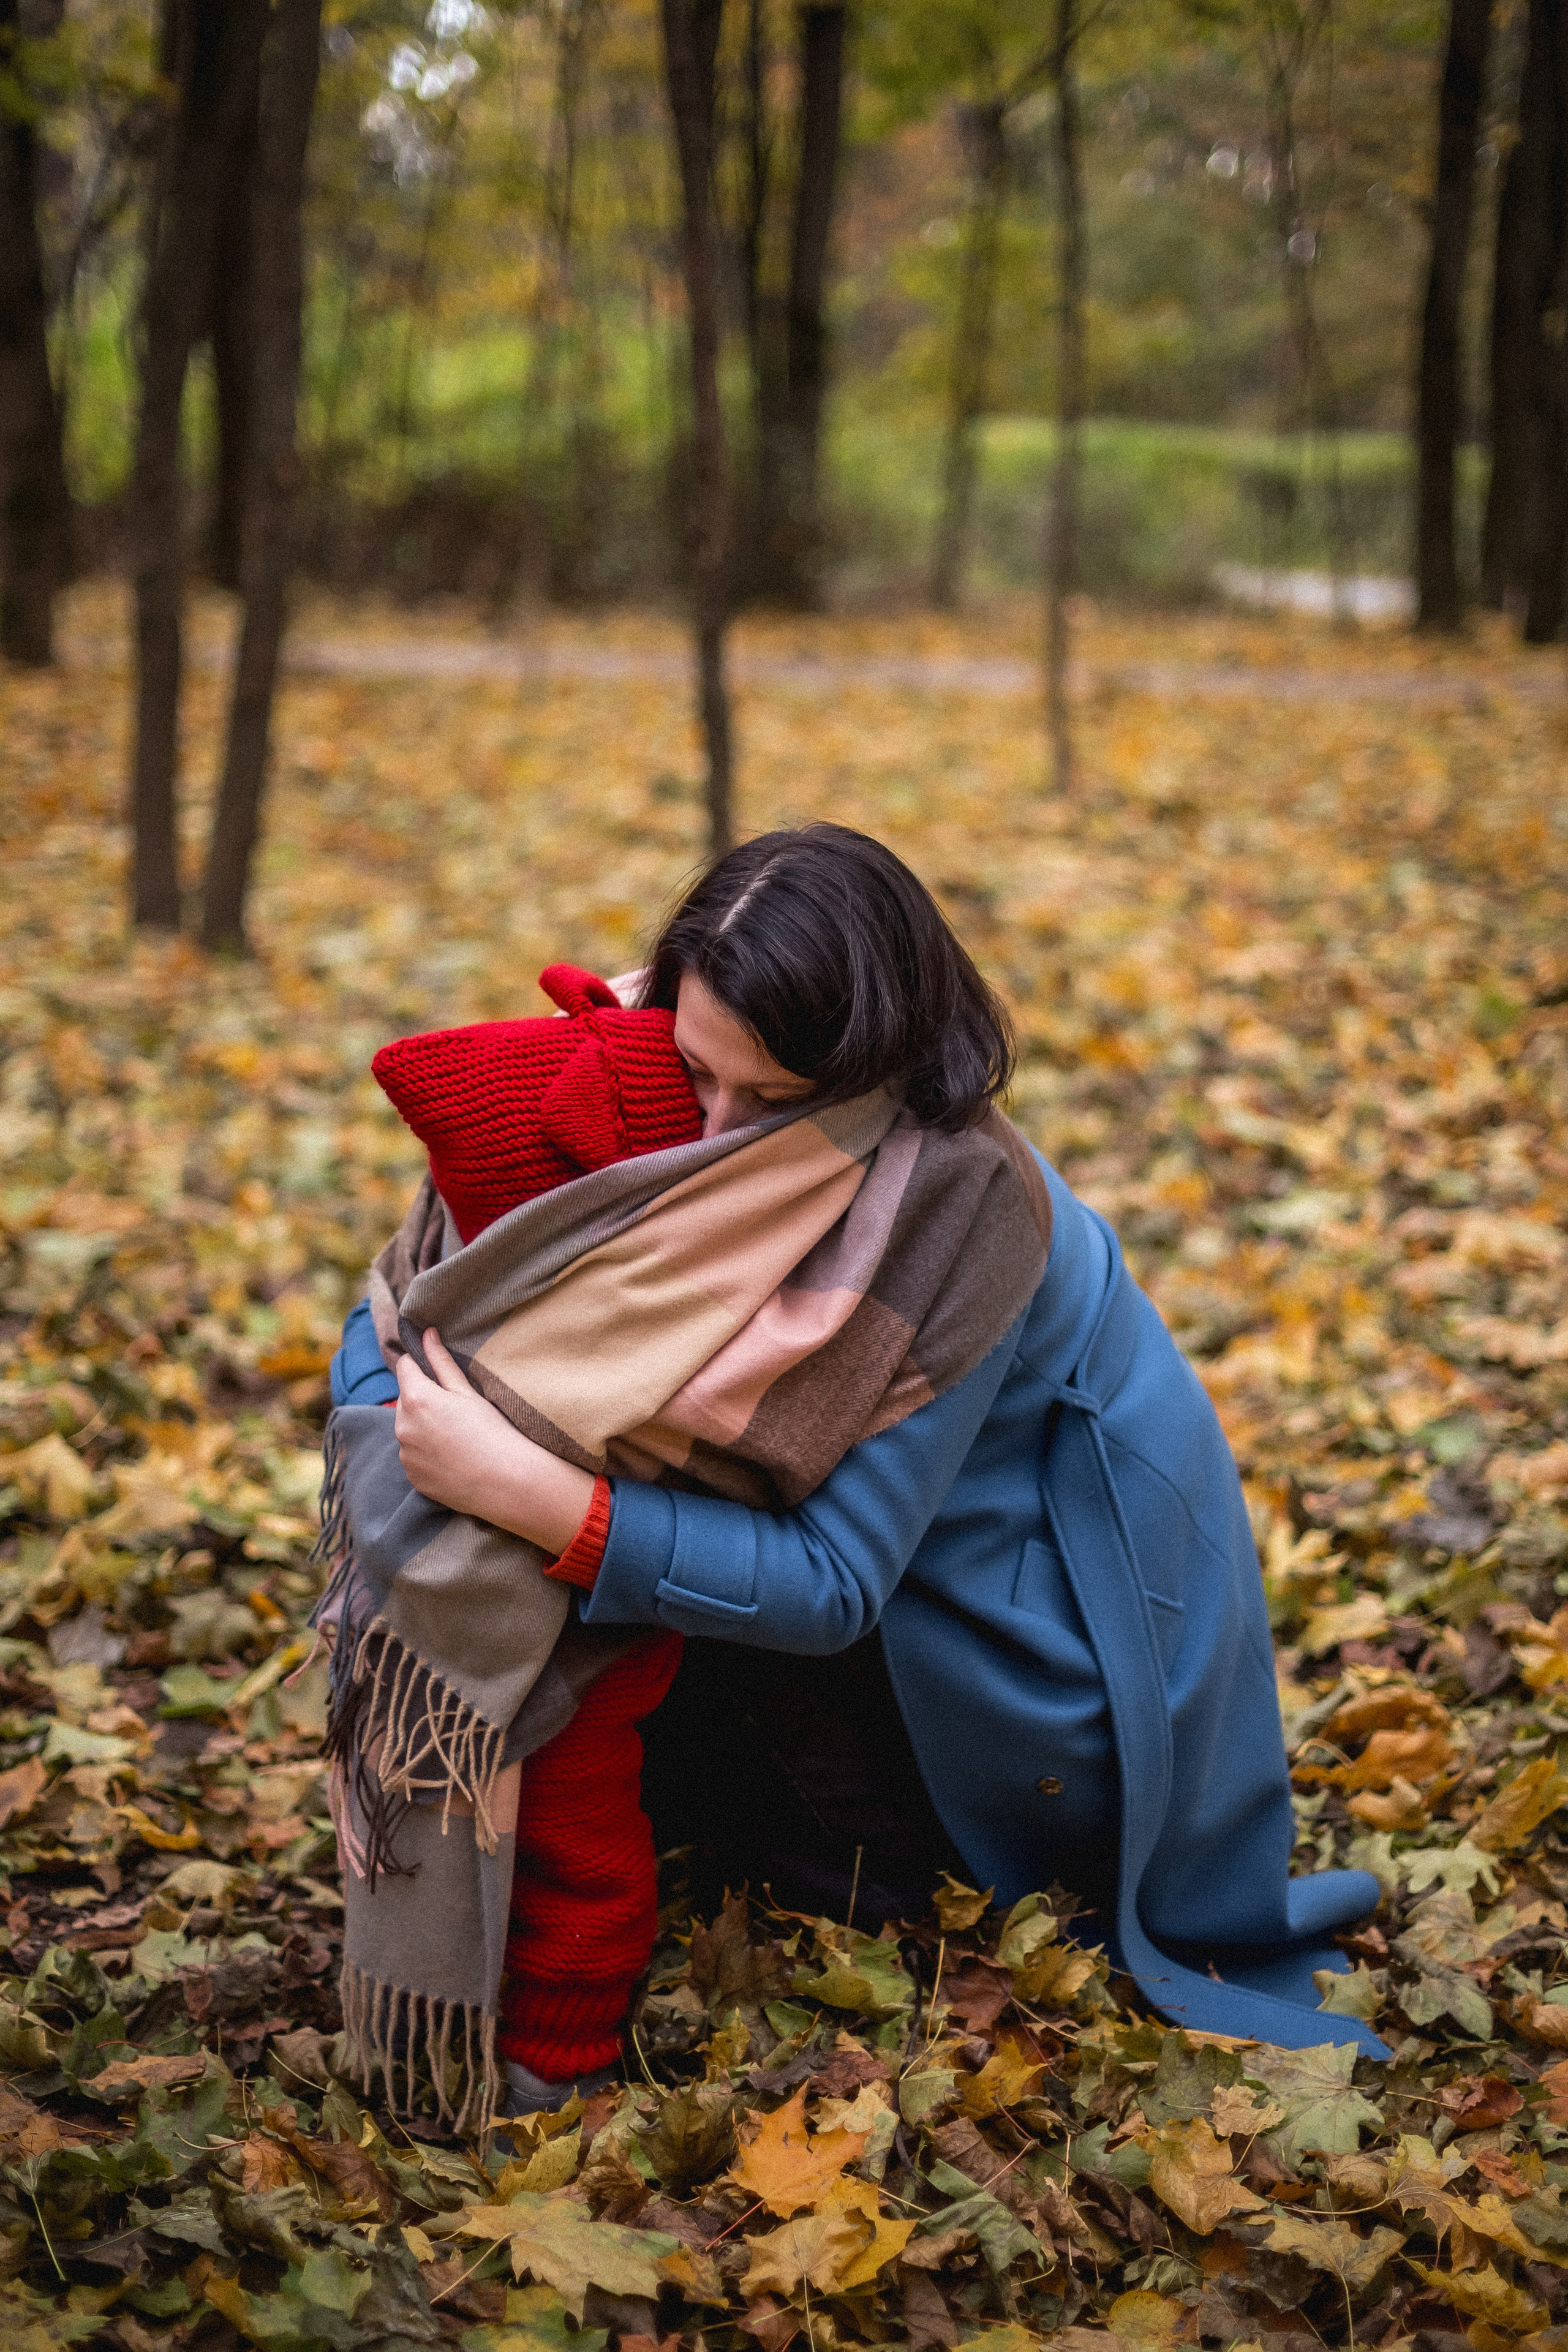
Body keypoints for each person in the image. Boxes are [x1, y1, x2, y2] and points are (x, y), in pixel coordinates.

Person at [332, 825, 1387, 2129]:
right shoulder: (678, 1048)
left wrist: (529, 1494)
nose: (715, 1137)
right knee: (542, 1612)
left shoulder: (958, 1209)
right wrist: (402, 1413)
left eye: (769, 1104)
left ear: (870, 1065)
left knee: (579, 1612)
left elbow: (832, 1584)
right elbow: (441, 1287)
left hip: (992, 1678)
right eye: (694, 1073)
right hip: (831, 1608)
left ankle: (651, 1932)